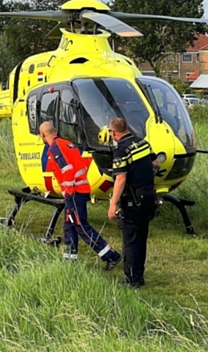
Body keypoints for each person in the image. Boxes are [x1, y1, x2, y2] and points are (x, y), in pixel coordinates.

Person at [39, 121, 122, 270]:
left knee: (80, 226)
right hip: (80, 190)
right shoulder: (67, 144)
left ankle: (111, 256)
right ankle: (70, 261)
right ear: (56, 130)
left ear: (43, 135)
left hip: (75, 193)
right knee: (69, 226)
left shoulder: (55, 148)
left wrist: (68, 192)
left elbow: (67, 170)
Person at [106, 117, 160, 288]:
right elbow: (156, 163)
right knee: (141, 238)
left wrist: (113, 204)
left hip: (133, 200)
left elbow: (121, 178)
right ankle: (139, 276)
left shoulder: (121, 150)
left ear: (113, 133)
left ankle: (131, 279)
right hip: (149, 196)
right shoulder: (143, 143)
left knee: (130, 239)